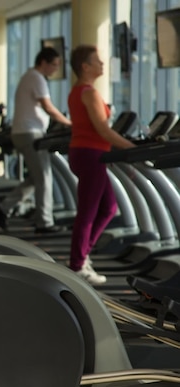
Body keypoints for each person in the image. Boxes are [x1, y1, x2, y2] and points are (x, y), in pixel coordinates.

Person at [67, 45, 135, 285]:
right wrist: (132, 148)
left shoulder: (78, 92)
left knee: (108, 208)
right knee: (88, 211)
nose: (103, 64)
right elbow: (103, 130)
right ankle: (76, 265)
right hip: (90, 155)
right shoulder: (89, 93)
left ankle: (83, 255)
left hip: (86, 153)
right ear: (85, 66)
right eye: (98, 61)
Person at [0, 47, 72, 233]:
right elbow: (48, 107)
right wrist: (70, 124)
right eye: (53, 65)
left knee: (35, 178)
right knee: (44, 178)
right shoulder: (37, 78)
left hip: (25, 132)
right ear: (43, 62)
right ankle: (44, 222)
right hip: (30, 133)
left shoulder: (29, 76)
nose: (55, 69)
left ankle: (4, 207)